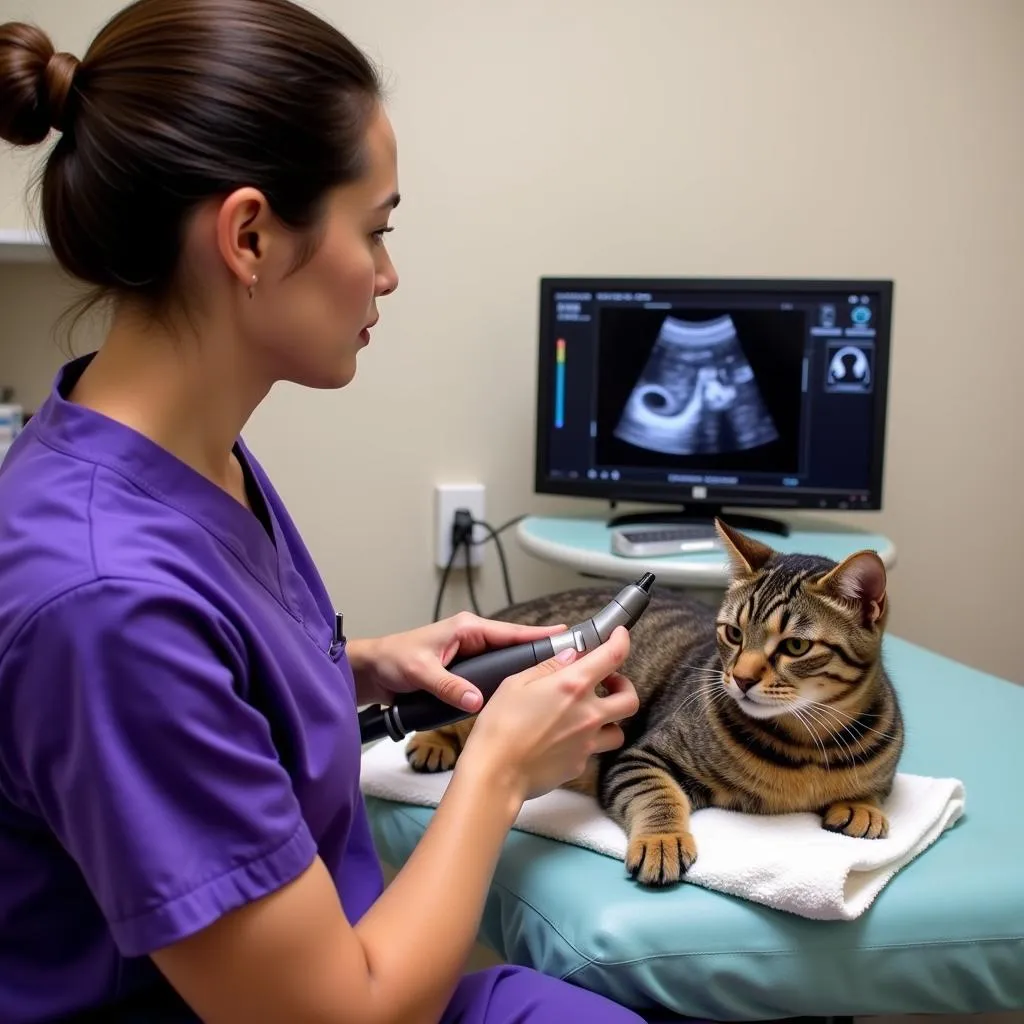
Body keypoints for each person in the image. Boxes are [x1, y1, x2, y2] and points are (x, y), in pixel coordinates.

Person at [0, 1, 647, 1022]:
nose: (387, 274)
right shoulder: (104, 601)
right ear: (249, 235)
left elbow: (198, 688)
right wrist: (500, 770)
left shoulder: (177, 455)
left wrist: (360, 665)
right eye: (376, 230)